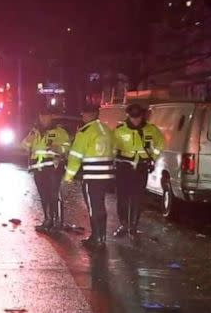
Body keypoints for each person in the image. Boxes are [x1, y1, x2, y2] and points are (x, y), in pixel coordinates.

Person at [63, 105, 114, 249]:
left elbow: (76, 156)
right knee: (100, 205)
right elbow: (114, 149)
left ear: (87, 115)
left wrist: (69, 176)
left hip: (92, 175)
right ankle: (101, 236)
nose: (83, 117)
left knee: (93, 206)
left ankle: (96, 237)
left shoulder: (85, 132)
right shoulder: (106, 129)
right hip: (106, 175)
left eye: (83, 114)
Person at [113, 104, 165, 238]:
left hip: (141, 166)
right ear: (128, 116)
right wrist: (113, 160)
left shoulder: (151, 129)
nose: (135, 120)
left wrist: (153, 157)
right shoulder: (119, 130)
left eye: (138, 117)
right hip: (123, 166)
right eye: (132, 117)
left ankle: (133, 227)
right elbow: (112, 147)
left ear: (142, 116)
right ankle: (124, 224)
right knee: (122, 197)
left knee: (137, 198)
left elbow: (160, 143)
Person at [21, 108, 71, 232]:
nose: (44, 119)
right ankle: (48, 220)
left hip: (53, 168)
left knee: (54, 195)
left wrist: (58, 149)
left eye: (47, 116)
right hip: (38, 168)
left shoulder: (59, 132)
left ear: (51, 117)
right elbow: (23, 145)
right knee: (44, 196)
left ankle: (57, 222)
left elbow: (67, 147)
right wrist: (29, 140)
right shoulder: (35, 131)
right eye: (42, 116)